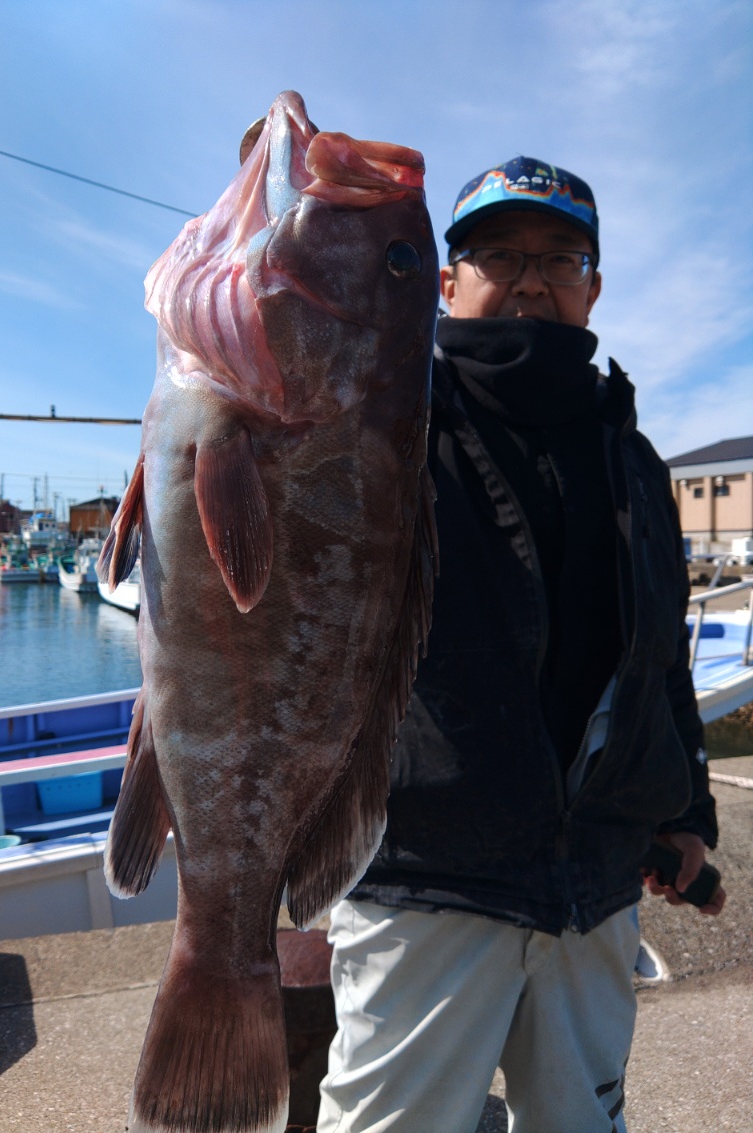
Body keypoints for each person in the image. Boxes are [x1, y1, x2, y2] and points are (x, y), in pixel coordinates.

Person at [316, 156, 726, 1133]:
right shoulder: (382, 422)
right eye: (499, 254)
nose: (531, 279)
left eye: (559, 258)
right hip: (425, 874)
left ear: (593, 286)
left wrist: (686, 813)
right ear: (446, 280)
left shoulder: (633, 458)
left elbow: (658, 658)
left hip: (595, 884)